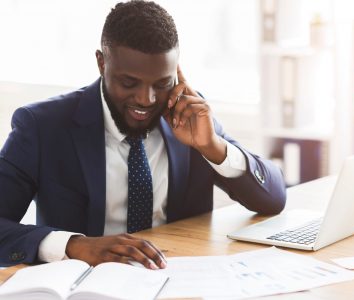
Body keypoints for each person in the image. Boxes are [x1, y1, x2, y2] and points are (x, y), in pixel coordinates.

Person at [0, 0, 286, 269]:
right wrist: (75, 245)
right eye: (129, 82)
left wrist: (212, 147)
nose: (147, 99)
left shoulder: (189, 118)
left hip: (176, 280)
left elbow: (272, 200)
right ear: (102, 63)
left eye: (162, 83)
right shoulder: (42, 126)